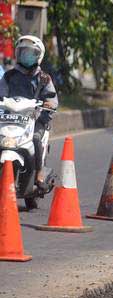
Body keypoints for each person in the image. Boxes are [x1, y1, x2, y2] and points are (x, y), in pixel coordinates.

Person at [0, 35, 58, 191]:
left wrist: (49, 104)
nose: (26, 55)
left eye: (31, 53)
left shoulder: (44, 79)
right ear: (18, 53)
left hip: (35, 118)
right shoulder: (9, 76)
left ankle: (39, 172)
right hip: (10, 117)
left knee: (36, 139)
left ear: (39, 56)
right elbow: (1, 92)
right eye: (23, 52)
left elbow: (52, 99)